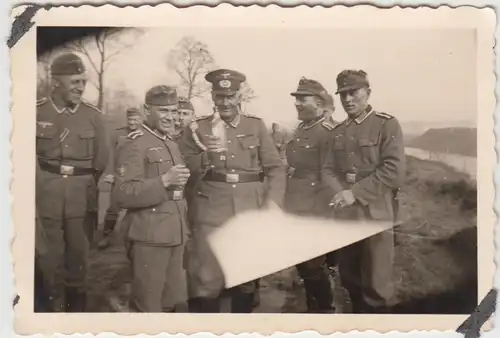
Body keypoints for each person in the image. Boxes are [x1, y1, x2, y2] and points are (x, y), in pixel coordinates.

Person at [178, 68, 286, 313]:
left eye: (230, 96)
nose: (225, 102)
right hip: (210, 210)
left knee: (245, 279)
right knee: (206, 278)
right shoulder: (197, 129)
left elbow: (275, 169)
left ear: (239, 97)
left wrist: (273, 203)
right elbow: (183, 167)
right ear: (213, 97)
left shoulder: (256, 126)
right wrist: (206, 156)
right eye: (219, 96)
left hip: (249, 209)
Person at [35, 52, 109, 312]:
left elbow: (101, 163)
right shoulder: (36, 112)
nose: (81, 87)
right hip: (46, 195)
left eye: (83, 81)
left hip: (81, 197)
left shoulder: (94, 116)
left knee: (78, 259)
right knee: (47, 259)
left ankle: (75, 314)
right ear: (56, 82)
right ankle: (46, 313)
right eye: (75, 81)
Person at [328, 69, 405, 313]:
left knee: (377, 288)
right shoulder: (338, 131)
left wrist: (354, 192)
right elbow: (328, 169)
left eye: (353, 92)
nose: (348, 99)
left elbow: (393, 171)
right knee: (350, 281)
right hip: (347, 218)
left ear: (368, 92)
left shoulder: (386, 124)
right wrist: (340, 192)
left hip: (376, 216)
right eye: (343, 94)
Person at [112, 85, 191, 312]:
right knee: (149, 307)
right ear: (147, 111)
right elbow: (123, 193)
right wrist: (164, 181)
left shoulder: (172, 143)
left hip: (175, 233)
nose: (170, 117)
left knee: (173, 304)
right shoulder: (134, 142)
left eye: (173, 111)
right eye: (163, 110)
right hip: (149, 237)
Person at [285, 77, 343, 313]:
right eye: (296, 99)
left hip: (316, 207)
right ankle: (313, 307)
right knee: (304, 264)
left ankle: (325, 310)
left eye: (303, 99)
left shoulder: (328, 131)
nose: (297, 104)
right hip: (297, 203)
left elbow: (331, 172)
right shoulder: (302, 128)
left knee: (312, 264)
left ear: (319, 104)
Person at [97, 107, 143, 250]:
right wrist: (110, 173)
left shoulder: (145, 134)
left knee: (139, 207)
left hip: (138, 175)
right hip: (120, 175)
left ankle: (136, 237)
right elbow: (111, 156)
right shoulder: (118, 134)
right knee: (114, 207)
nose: (132, 122)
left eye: (135, 119)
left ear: (141, 120)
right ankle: (107, 235)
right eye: (130, 119)